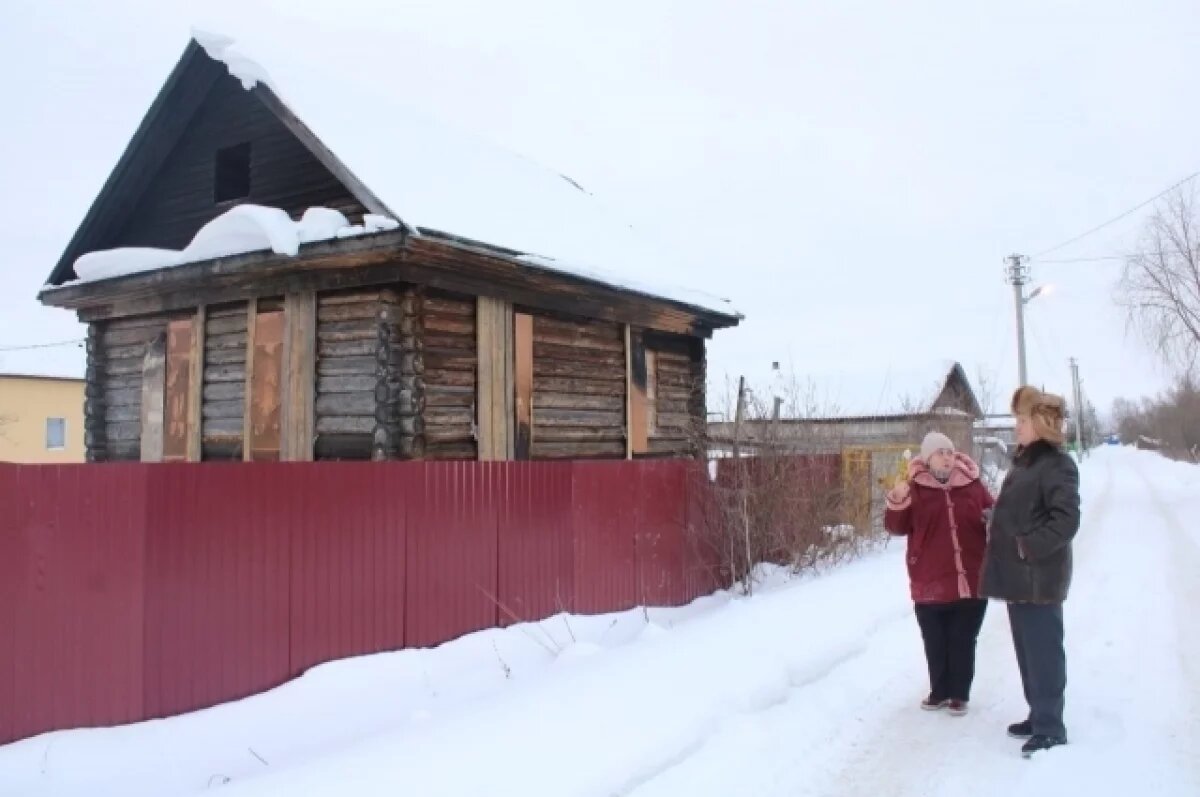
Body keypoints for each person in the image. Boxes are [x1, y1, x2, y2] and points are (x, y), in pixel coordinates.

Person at [981, 386, 1081, 758]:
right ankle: (1038, 714)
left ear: (1039, 424)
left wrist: (1027, 545)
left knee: (1044, 653)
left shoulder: (1057, 464)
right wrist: (997, 520)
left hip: (1039, 577)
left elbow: (1066, 519)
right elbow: (1026, 510)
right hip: (1018, 577)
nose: (1016, 427)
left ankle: (1051, 726)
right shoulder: (1026, 463)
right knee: (1027, 652)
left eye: (1021, 421)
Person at [885, 431, 995, 716]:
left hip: (969, 578)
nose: (947, 457)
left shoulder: (972, 485)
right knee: (935, 641)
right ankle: (939, 691)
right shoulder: (914, 488)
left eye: (950, 451)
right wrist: (897, 501)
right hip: (929, 579)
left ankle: (959, 694)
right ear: (927, 458)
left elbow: (992, 512)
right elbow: (896, 528)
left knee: (962, 639)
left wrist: (993, 517)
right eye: (940, 452)